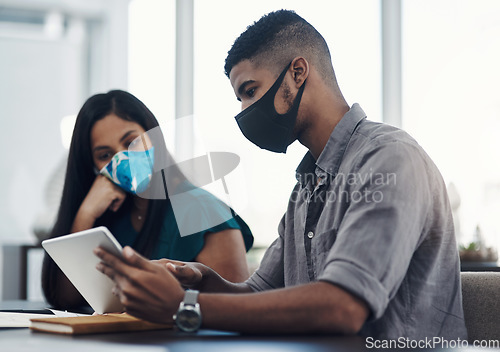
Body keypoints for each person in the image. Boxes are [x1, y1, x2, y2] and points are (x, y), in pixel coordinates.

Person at [94, 11, 467, 339]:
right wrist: (202, 281)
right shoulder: (306, 186)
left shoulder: (388, 159)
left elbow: (343, 306)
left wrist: (186, 307)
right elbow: (259, 293)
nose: (243, 111)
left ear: (298, 72)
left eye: (250, 91)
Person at [42, 90, 254, 309]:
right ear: (93, 166)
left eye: (132, 141)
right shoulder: (109, 214)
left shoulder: (204, 211)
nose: (122, 157)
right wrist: (85, 214)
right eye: (105, 155)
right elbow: (66, 298)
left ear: (154, 136)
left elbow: (235, 309)